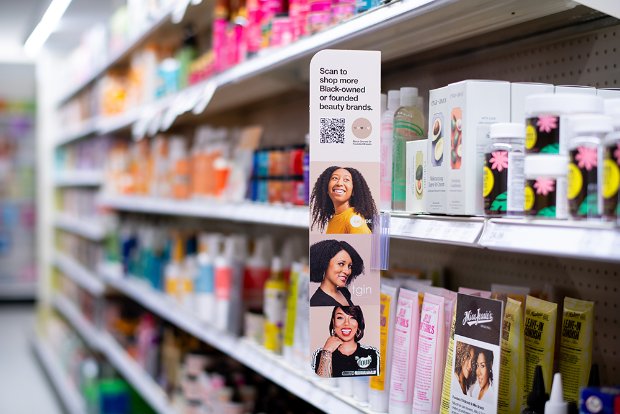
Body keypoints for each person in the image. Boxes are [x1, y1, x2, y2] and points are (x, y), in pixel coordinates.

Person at [312, 305, 379, 378]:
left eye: (352, 318)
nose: (346, 323)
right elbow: (322, 384)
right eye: (340, 317)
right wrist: (327, 352)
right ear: (333, 322)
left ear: (358, 323)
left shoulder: (373, 354)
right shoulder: (319, 355)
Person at [310, 166, 378, 234]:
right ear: (326, 189)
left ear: (353, 191)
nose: (339, 183)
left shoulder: (354, 219)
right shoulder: (333, 219)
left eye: (346, 180)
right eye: (335, 178)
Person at [309, 239, 364, 307]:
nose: (347, 271)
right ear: (324, 263)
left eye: (349, 266)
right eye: (341, 264)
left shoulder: (344, 292)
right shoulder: (317, 302)